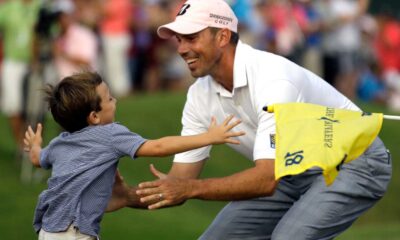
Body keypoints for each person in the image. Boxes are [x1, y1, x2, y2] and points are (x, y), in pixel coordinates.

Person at [121, 0, 391, 239]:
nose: (181, 49)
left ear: (222, 36)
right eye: (178, 39)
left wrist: (189, 188)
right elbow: (179, 180)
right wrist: (125, 197)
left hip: (355, 160)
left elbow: (264, 180)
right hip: (291, 170)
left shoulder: (273, 78)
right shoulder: (198, 95)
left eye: (191, 37)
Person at [23, 71, 244, 239]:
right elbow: (157, 148)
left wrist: (35, 146)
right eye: (109, 99)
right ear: (94, 117)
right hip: (75, 231)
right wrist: (208, 137)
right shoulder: (109, 134)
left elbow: (37, 159)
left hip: (48, 229)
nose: (115, 101)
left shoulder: (60, 143)